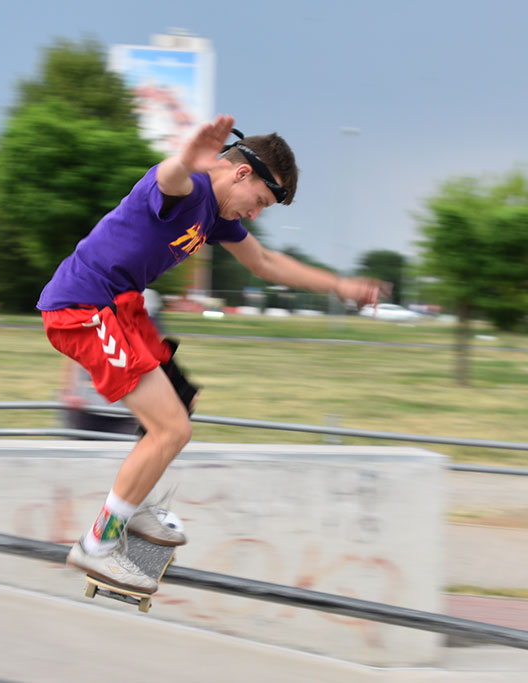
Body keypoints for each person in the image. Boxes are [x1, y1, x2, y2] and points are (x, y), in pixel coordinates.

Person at [37, 114, 388, 592]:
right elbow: (168, 177)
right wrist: (187, 156)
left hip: (123, 309)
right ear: (241, 173)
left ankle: (132, 509)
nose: (256, 214)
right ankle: (98, 545)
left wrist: (341, 286)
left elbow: (264, 261)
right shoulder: (192, 189)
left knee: (181, 402)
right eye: (259, 202)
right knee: (171, 428)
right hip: (84, 306)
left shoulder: (217, 216)